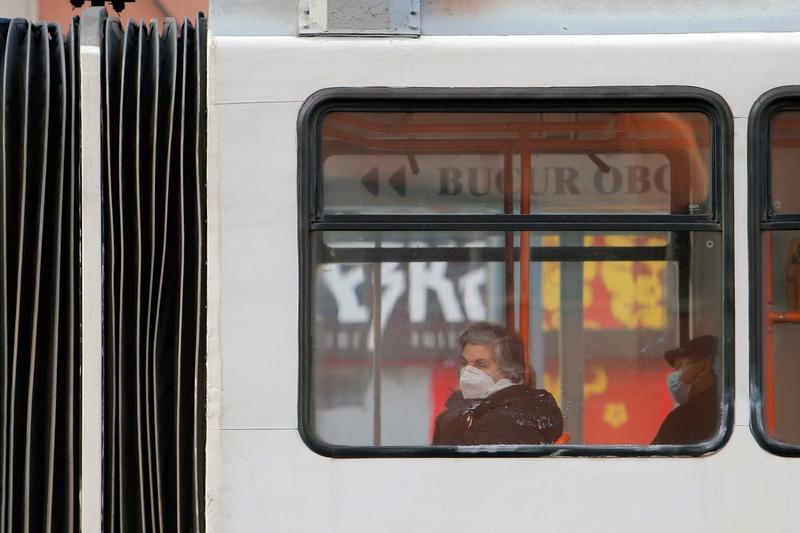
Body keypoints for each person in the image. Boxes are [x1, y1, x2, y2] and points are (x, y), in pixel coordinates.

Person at [432, 322, 563, 446]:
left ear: (509, 371)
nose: (467, 371)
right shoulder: (453, 417)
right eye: (464, 363)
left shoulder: (511, 419)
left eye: (480, 364)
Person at [652, 335, 720, 445]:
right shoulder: (725, 407)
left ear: (704, 368)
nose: (673, 375)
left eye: (679, 366)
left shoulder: (686, 418)